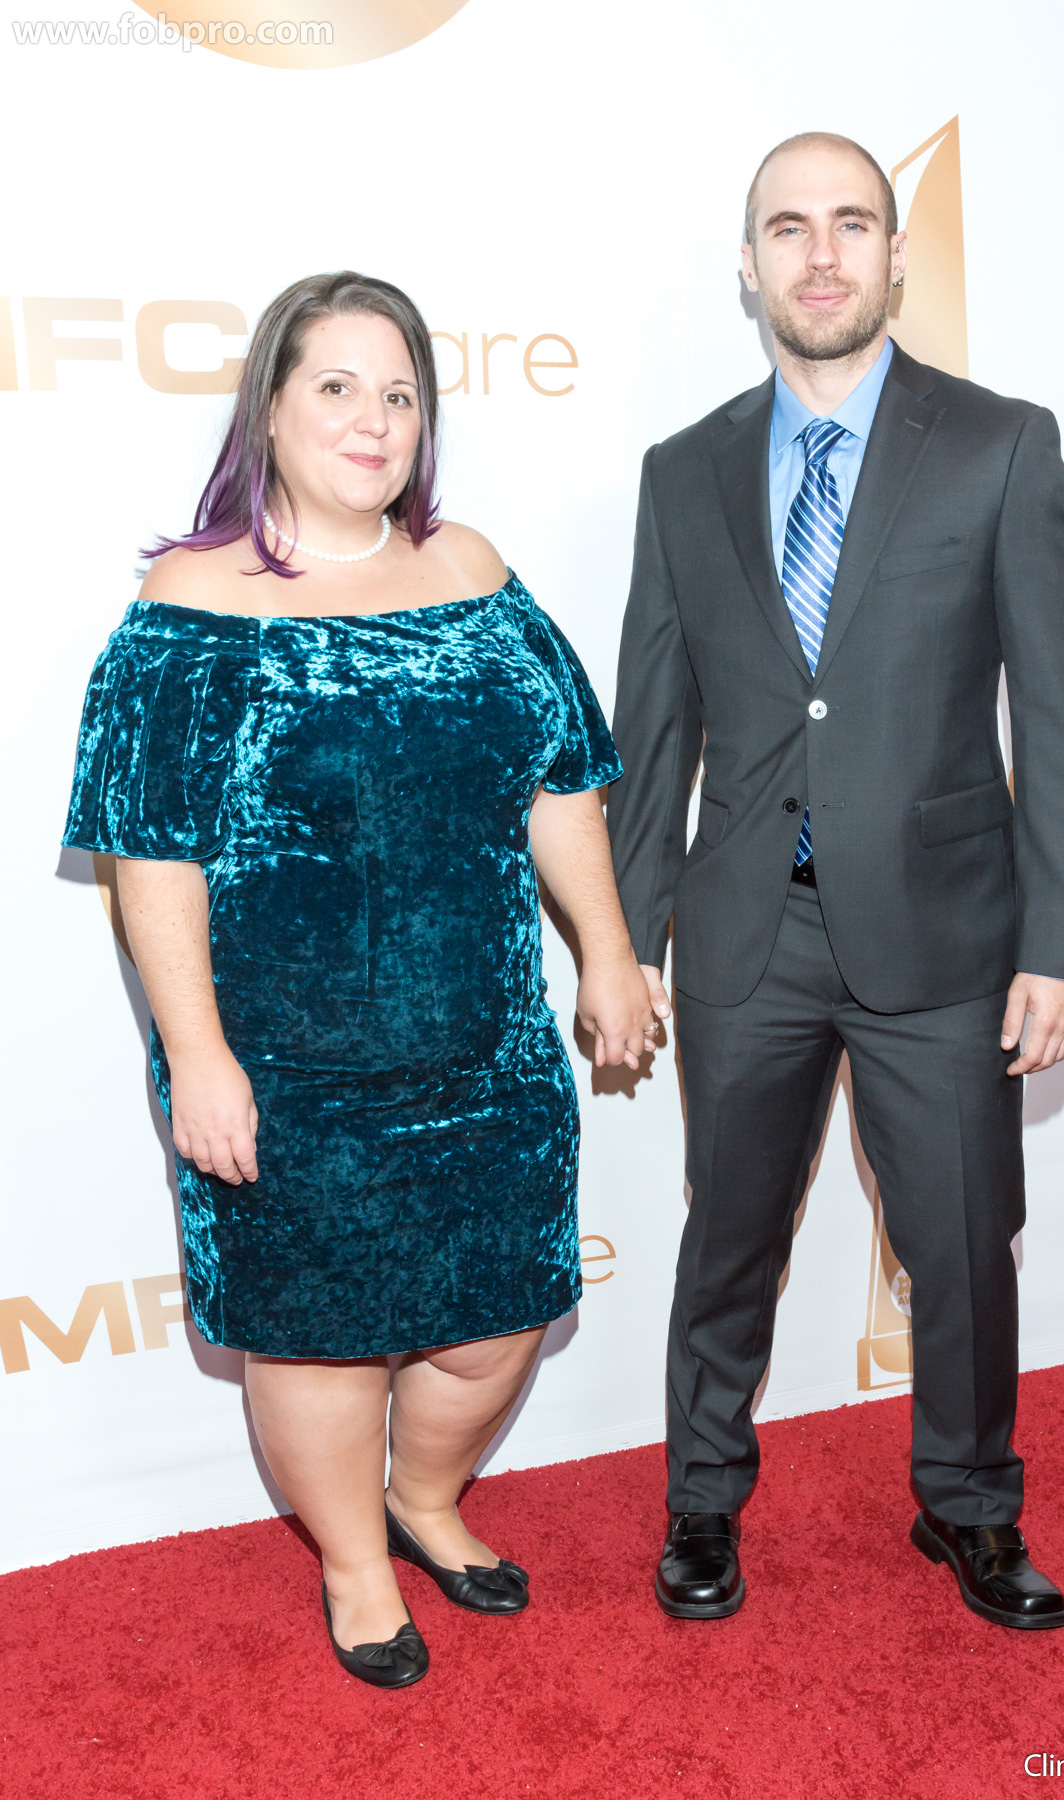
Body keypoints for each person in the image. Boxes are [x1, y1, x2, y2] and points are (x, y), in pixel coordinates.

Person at [63, 270, 657, 1688]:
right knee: (319, 1347)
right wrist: (198, 1058)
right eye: (336, 386)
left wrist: (610, 952)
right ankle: (352, 1564)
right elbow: (152, 860)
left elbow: (561, 781)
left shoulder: (473, 573)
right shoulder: (188, 605)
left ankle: (426, 1500)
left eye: (398, 394)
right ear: (269, 407)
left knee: (500, 1322)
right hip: (286, 1073)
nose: (372, 419)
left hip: (486, 1052)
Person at [606, 134, 1064, 1630]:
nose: (819, 255)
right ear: (747, 263)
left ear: (895, 255)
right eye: (788, 228)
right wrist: (627, 941)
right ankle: (703, 1501)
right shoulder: (683, 471)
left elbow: (1063, 716)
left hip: (948, 940)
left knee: (960, 1244)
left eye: (851, 224)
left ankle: (970, 1506)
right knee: (728, 1239)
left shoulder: (1001, 444)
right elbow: (653, 728)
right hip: (746, 936)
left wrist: (1059, 943)